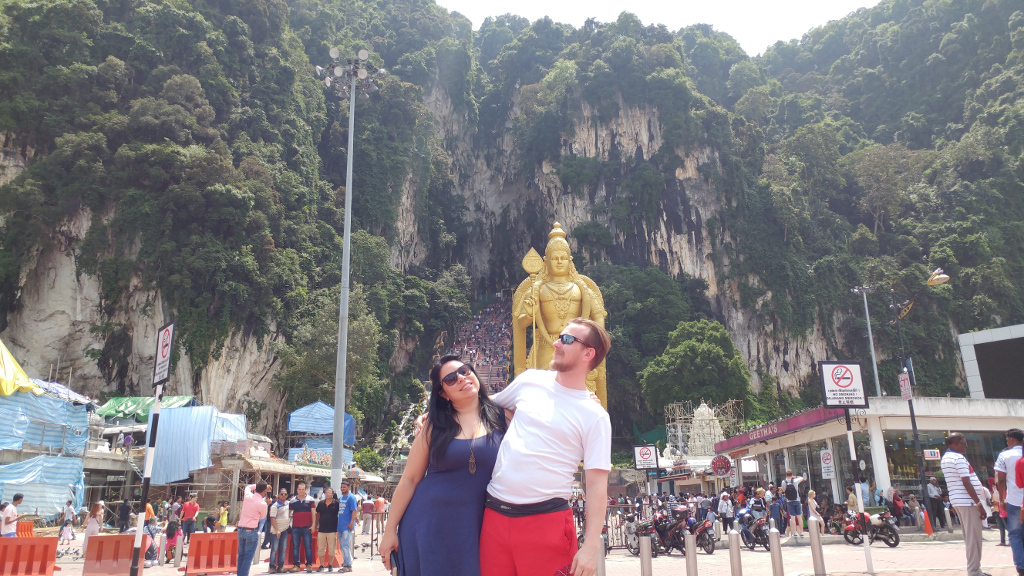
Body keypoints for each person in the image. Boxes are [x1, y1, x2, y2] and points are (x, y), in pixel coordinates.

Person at [478, 319, 612, 576]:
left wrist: (590, 547)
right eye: (560, 336)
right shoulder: (530, 380)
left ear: (588, 353)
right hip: (494, 516)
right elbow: (486, 405)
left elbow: (596, 485)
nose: (556, 342)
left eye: (568, 339)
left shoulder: (595, 416)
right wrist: (434, 414)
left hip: (545, 523)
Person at [379, 355, 506, 576]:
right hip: (429, 522)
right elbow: (410, 479)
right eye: (450, 378)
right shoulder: (433, 426)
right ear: (442, 393)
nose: (461, 378)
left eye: (465, 371)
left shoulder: (503, 417)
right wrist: (390, 531)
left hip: (476, 524)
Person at [941, 432, 988, 576]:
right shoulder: (958, 458)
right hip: (967, 501)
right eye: (963, 443)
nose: (966, 445)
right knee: (974, 537)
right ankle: (974, 570)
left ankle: (974, 569)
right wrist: (978, 502)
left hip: (959, 500)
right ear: (954, 444)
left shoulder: (946, 458)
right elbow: (966, 482)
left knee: (970, 536)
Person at [995, 428, 1023, 573]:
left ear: (1011, 440)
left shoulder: (1005, 455)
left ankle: (1021, 566)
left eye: (1007, 440)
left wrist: (1001, 500)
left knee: (1015, 534)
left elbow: (1000, 479)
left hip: (1014, 500)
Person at [236, 483, 269, 576]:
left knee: (241, 555)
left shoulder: (247, 496)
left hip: (241, 529)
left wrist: (258, 485)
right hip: (251, 530)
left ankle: (240, 574)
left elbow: (248, 487)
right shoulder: (262, 503)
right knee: (248, 556)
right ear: (264, 491)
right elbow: (263, 516)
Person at [289, 481, 317, 573]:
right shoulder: (292, 501)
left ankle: (309, 565)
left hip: (307, 527)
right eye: (299, 489)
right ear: (297, 490)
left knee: (308, 546)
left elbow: (314, 513)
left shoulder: (311, 499)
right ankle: (296, 565)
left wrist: (313, 525)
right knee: (295, 547)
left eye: (303, 489)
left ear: (306, 490)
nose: (301, 491)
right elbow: (288, 513)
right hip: (295, 527)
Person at [315, 487, 339, 573]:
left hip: (332, 529)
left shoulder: (336, 503)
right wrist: (315, 524)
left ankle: (330, 565)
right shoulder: (321, 503)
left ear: (333, 494)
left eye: (330, 493)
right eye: (327, 492)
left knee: (332, 548)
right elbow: (317, 514)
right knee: (321, 548)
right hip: (321, 529)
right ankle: (321, 565)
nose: (328, 494)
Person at [269, 488, 291, 574]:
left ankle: (280, 566)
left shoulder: (288, 504)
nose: (283, 495)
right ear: (278, 495)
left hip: (285, 529)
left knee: (283, 548)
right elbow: (272, 518)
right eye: (281, 494)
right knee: (274, 549)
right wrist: (277, 530)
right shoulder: (275, 505)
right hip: (276, 530)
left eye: (285, 494)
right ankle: (272, 566)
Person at [337, 481, 358, 573]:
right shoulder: (341, 497)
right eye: (341, 487)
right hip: (340, 525)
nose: (342, 489)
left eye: (344, 487)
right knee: (342, 545)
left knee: (345, 545)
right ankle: (346, 562)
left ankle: (348, 564)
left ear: (348, 487)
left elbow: (354, 510)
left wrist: (351, 523)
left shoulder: (351, 497)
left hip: (347, 525)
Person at [781, 469, 805, 538]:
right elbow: (802, 478)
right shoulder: (795, 480)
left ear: (786, 475)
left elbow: (783, 490)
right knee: (799, 517)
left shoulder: (784, 482)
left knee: (792, 518)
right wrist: (795, 476)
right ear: (792, 474)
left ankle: (794, 532)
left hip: (789, 501)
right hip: (797, 500)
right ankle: (801, 532)